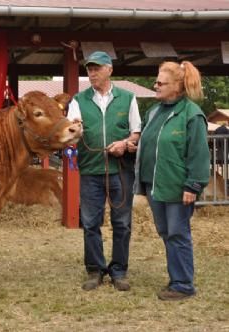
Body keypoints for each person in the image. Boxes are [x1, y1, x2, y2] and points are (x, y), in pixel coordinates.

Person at [133, 61, 209, 301]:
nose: (155, 86)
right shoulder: (154, 112)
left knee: (178, 233)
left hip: (178, 187)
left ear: (177, 86)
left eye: (161, 83)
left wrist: (193, 185)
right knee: (167, 233)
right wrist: (128, 144)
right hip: (156, 185)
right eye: (156, 81)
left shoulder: (192, 114)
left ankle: (184, 285)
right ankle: (177, 277)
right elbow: (148, 144)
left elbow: (198, 153)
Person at [67, 51, 141, 291]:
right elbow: (72, 130)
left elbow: (136, 133)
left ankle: (119, 270)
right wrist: (73, 132)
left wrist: (124, 144)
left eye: (97, 68)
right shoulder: (78, 100)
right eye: (89, 69)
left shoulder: (128, 98)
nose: (92, 73)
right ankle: (95, 270)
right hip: (91, 170)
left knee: (122, 223)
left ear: (109, 69)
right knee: (90, 223)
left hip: (120, 170)